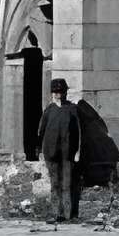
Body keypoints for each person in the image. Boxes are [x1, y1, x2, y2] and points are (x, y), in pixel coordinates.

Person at [38, 78, 82, 222]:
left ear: (65, 92)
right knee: (54, 184)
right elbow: (41, 131)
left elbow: (78, 132)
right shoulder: (49, 110)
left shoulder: (72, 110)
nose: (58, 94)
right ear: (52, 93)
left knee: (67, 184)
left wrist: (77, 152)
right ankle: (56, 213)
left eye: (61, 91)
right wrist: (40, 151)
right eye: (56, 92)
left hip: (68, 153)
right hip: (51, 153)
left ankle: (68, 215)